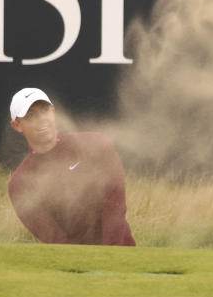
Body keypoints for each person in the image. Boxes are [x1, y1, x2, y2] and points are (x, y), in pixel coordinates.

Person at [7, 88, 136, 246]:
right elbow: (55, 238)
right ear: (17, 125)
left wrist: (110, 255)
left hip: (122, 254)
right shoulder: (20, 184)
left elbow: (114, 207)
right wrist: (83, 264)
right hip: (74, 266)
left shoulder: (96, 144)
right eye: (31, 115)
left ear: (53, 112)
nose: (41, 119)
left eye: (45, 110)